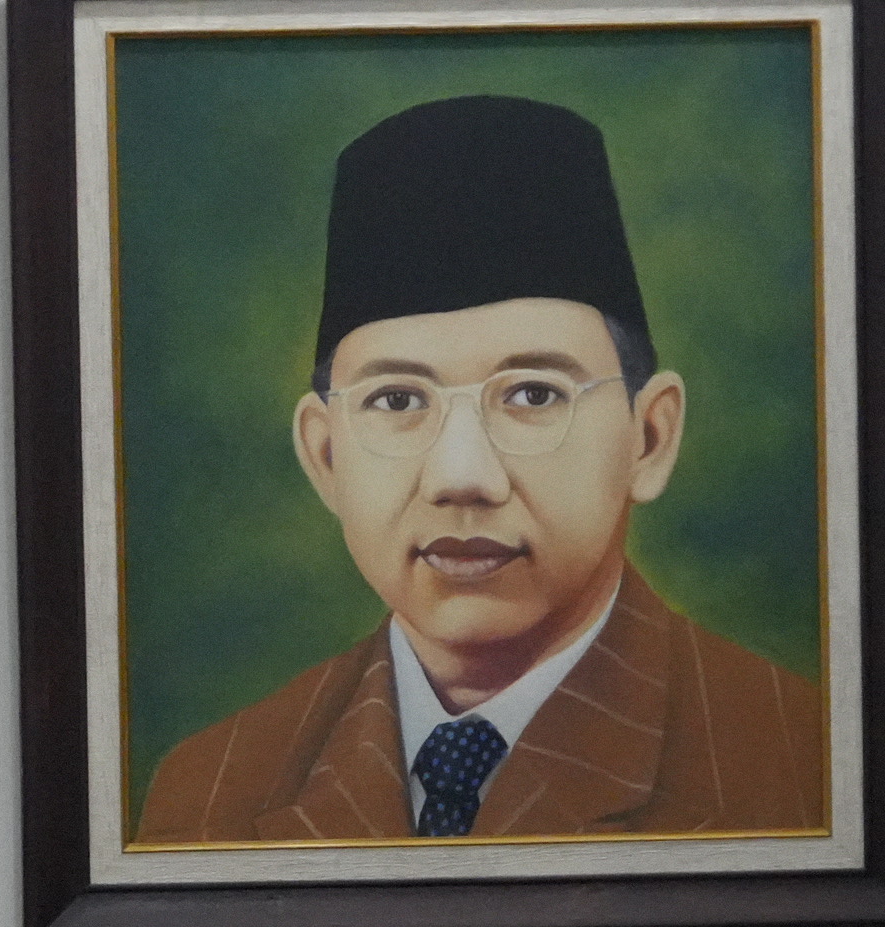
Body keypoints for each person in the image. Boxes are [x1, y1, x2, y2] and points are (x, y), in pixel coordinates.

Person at [134, 95, 824, 846]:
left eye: (533, 394)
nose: (461, 477)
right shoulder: (208, 790)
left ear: (649, 438)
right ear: (325, 455)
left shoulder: (805, 764)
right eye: (397, 399)